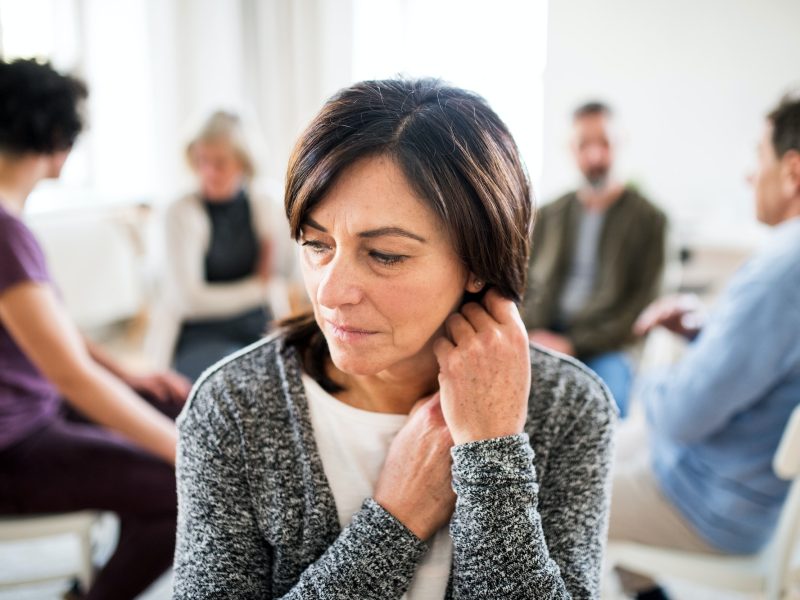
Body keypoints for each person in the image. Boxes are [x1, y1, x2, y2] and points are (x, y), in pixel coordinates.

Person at [173, 78, 616, 599]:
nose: (331, 292)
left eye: (385, 255)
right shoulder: (234, 406)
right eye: (317, 244)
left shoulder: (570, 406)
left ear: (479, 261)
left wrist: (491, 453)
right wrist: (396, 519)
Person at [0, 59, 190, 600]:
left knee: (181, 409)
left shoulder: (9, 223)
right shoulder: (4, 231)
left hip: (34, 410)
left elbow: (52, 334)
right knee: (186, 487)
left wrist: (128, 371)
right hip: (13, 445)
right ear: (58, 138)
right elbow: (71, 376)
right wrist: (180, 453)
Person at [608, 92, 800, 599]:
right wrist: (707, 333)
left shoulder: (781, 273)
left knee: (556, 490)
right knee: (603, 447)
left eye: (758, 158)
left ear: (793, 171)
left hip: (711, 503)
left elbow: (677, 419)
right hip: (744, 487)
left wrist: (656, 362)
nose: (748, 175)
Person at [521, 101, 667, 416]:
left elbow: (641, 309)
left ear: (621, 142)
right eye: (583, 144)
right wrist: (531, 334)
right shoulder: (549, 215)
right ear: (570, 149)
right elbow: (525, 285)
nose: (595, 156)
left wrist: (573, 344)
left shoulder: (650, 220)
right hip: (544, 333)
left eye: (604, 143)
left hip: (608, 347)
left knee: (603, 409)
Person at [159, 111, 277, 381]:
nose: (208, 172)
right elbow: (190, 300)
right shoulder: (179, 212)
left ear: (243, 163)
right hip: (201, 332)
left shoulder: (267, 205)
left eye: (220, 163)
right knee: (233, 381)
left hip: (258, 325)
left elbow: (286, 277)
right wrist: (259, 288)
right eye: (201, 161)